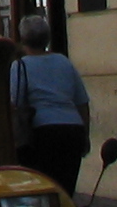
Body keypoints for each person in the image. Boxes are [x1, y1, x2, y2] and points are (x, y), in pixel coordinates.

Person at [10, 14, 91, 194]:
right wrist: (85, 134)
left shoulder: (20, 66)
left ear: (23, 39)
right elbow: (82, 103)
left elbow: (15, 103)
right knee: (66, 188)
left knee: (44, 188)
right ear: (47, 38)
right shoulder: (64, 62)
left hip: (41, 132)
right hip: (72, 129)